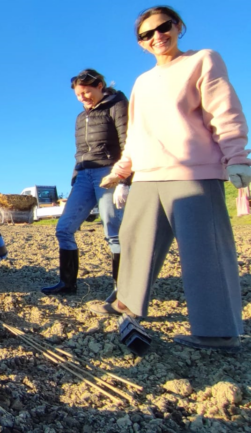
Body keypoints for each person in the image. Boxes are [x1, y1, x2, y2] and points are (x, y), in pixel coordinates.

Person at [91, 6, 251, 353]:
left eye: (163, 27)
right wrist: (121, 170)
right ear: (141, 43)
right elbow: (136, 134)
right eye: (146, 34)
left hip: (194, 172)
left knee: (204, 251)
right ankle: (127, 304)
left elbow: (224, 111)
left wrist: (238, 157)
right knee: (135, 243)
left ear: (178, 27)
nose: (156, 36)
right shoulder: (142, 82)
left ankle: (218, 333)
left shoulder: (203, 60)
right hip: (147, 176)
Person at [41, 70, 129, 296]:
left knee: (113, 230)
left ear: (100, 85)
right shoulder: (81, 117)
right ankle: (67, 284)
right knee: (64, 228)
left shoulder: (117, 104)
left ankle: (123, 290)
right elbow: (80, 151)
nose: (82, 98)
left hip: (109, 172)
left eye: (86, 92)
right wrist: (75, 177)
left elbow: (127, 139)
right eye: (78, 95)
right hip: (83, 175)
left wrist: (124, 179)